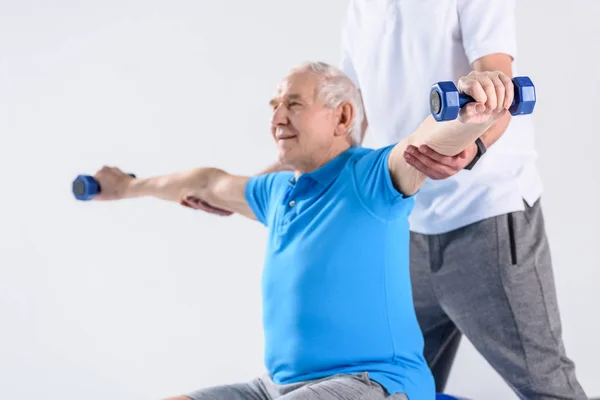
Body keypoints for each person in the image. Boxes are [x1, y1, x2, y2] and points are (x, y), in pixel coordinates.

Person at [191, 2, 589, 399]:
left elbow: (496, 79)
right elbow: (349, 128)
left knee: (546, 387)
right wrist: (250, 190)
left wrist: (476, 142)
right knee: (388, 381)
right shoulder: (361, 10)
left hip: (484, 216)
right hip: (405, 222)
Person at [90, 62, 516, 400]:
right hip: (273, 388)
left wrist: (471, 110)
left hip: (372, 383)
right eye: (274, 105)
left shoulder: (370, 177)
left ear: (342, 116)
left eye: (293, 104)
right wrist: (127, 187)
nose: (276, 117)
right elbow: (205, 183)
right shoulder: (276, 193)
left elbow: (424, 142)